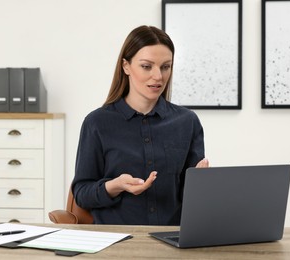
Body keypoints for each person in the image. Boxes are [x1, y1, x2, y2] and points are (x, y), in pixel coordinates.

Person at [72, 25, 209, 225]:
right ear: (126, 66)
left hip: (172, 241)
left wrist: (202, 184)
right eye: (147, 66)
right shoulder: (97, 123)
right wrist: (114, 186)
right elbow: (82, 193)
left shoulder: (187, 122)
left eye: (165, 66)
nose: (158, 76)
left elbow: (191, 198)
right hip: (115, 241)